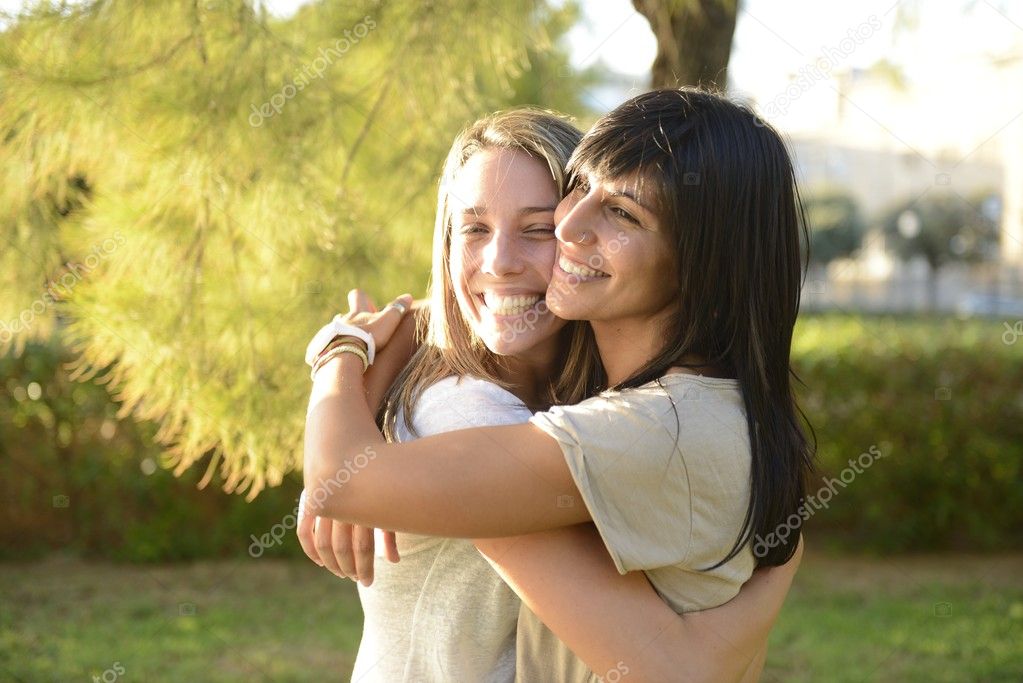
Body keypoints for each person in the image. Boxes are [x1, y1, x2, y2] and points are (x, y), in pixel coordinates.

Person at [302, 89, 812, 681]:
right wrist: (365, 354)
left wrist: (345, 355)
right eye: (473, 228)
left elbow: (682, 669)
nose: (570, 226)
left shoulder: (633, 427)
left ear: (700, 259)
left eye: (540, 226)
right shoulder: (475, 410)